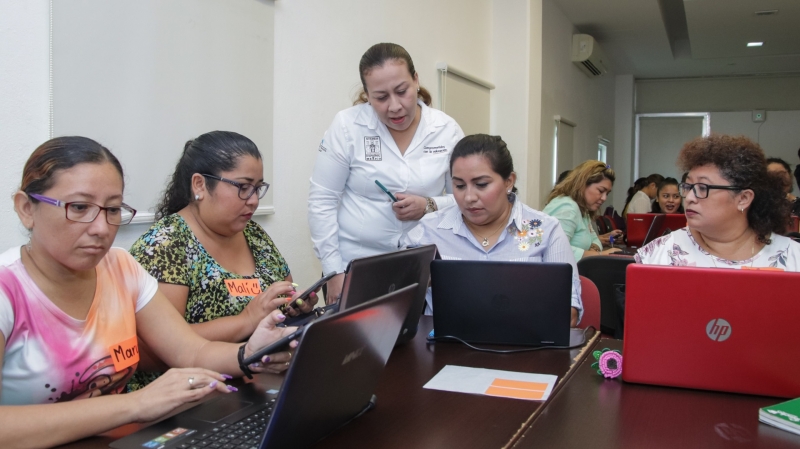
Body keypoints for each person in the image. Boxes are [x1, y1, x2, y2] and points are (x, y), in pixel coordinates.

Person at [0, 137, 297, 447]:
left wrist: (249, 354)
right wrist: (137, 404)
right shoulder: (7, 290)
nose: (101, 228)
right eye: (79, 207)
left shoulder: (121, 267)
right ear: (26, 208)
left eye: (112, 209)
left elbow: (190, 351)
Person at [127, 131, 314, 390]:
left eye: (258, 188)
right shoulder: (167, 245)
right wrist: (246, 321)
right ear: (200, 185)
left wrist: (292, 306)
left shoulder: (254, 235)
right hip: (188, 394)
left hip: (257, 380)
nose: (254, 200)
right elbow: (151, 350)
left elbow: (278, 300)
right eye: (242, 187)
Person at [308, 43, 464, 303]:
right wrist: (334, 272)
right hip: (354, 265)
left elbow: (464, 197)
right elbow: (321, 201)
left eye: (402, 91)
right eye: (381, 97)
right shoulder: (348, 126)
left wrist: (429, 204)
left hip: (420, 268)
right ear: (367, 95)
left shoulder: (446, 129)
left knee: (417, 341)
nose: (394, 106)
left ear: (416, 80)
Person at [404, 135, 583, 326]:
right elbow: (397, 303)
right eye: (459, 186)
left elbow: (568, 313)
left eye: (481, 184)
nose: (469, 197)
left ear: (509, 182)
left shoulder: (546, 231)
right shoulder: (429, 231)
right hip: (446, 349)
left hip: (525, 348)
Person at [636, 135, 800, 269]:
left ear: (743, 198)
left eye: (702, 187)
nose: (690, 198)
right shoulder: (662, 254)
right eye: (688, 186)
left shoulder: (792, 258)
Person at [543, 161, 622, 260]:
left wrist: (592, 251)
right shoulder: (567, 206)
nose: (604, 198)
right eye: (601, 191)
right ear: (582, 185)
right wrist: (600, 255)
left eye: (607, 193)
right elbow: (555, 249)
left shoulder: (583, 209)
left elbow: (594, 239)